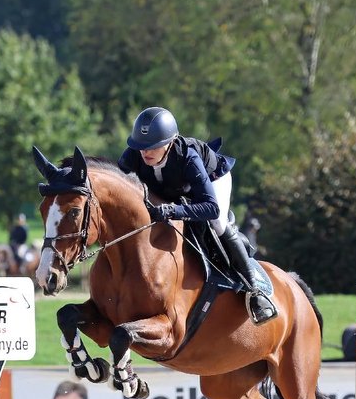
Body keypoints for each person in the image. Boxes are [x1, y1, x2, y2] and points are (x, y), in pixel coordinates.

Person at [118, 106, 277, 324]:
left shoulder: (188, 158)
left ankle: (255, 290)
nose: (146, 152)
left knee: (217, 222)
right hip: (176, 188)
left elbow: (210, 207)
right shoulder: (133, 156)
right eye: (141, 147)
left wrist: (174, 211)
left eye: (153, 147)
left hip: (212, 181)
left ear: (170, 142)